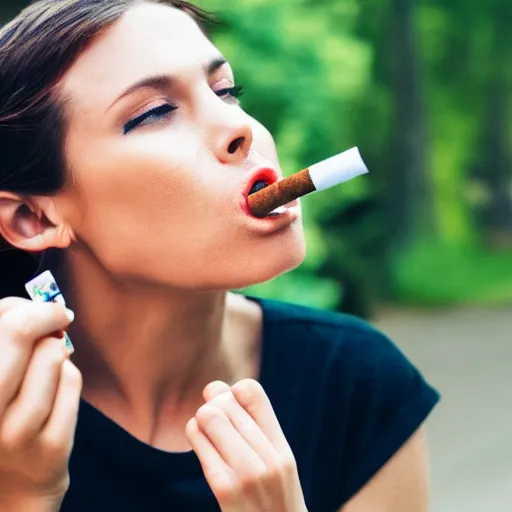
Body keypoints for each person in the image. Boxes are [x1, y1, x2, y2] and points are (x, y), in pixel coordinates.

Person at [0, 1, 440, 511]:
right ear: (33, 218)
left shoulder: (356, 384)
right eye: (155, 113)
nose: (241, 128)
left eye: (225, 90)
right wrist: (25, 496)